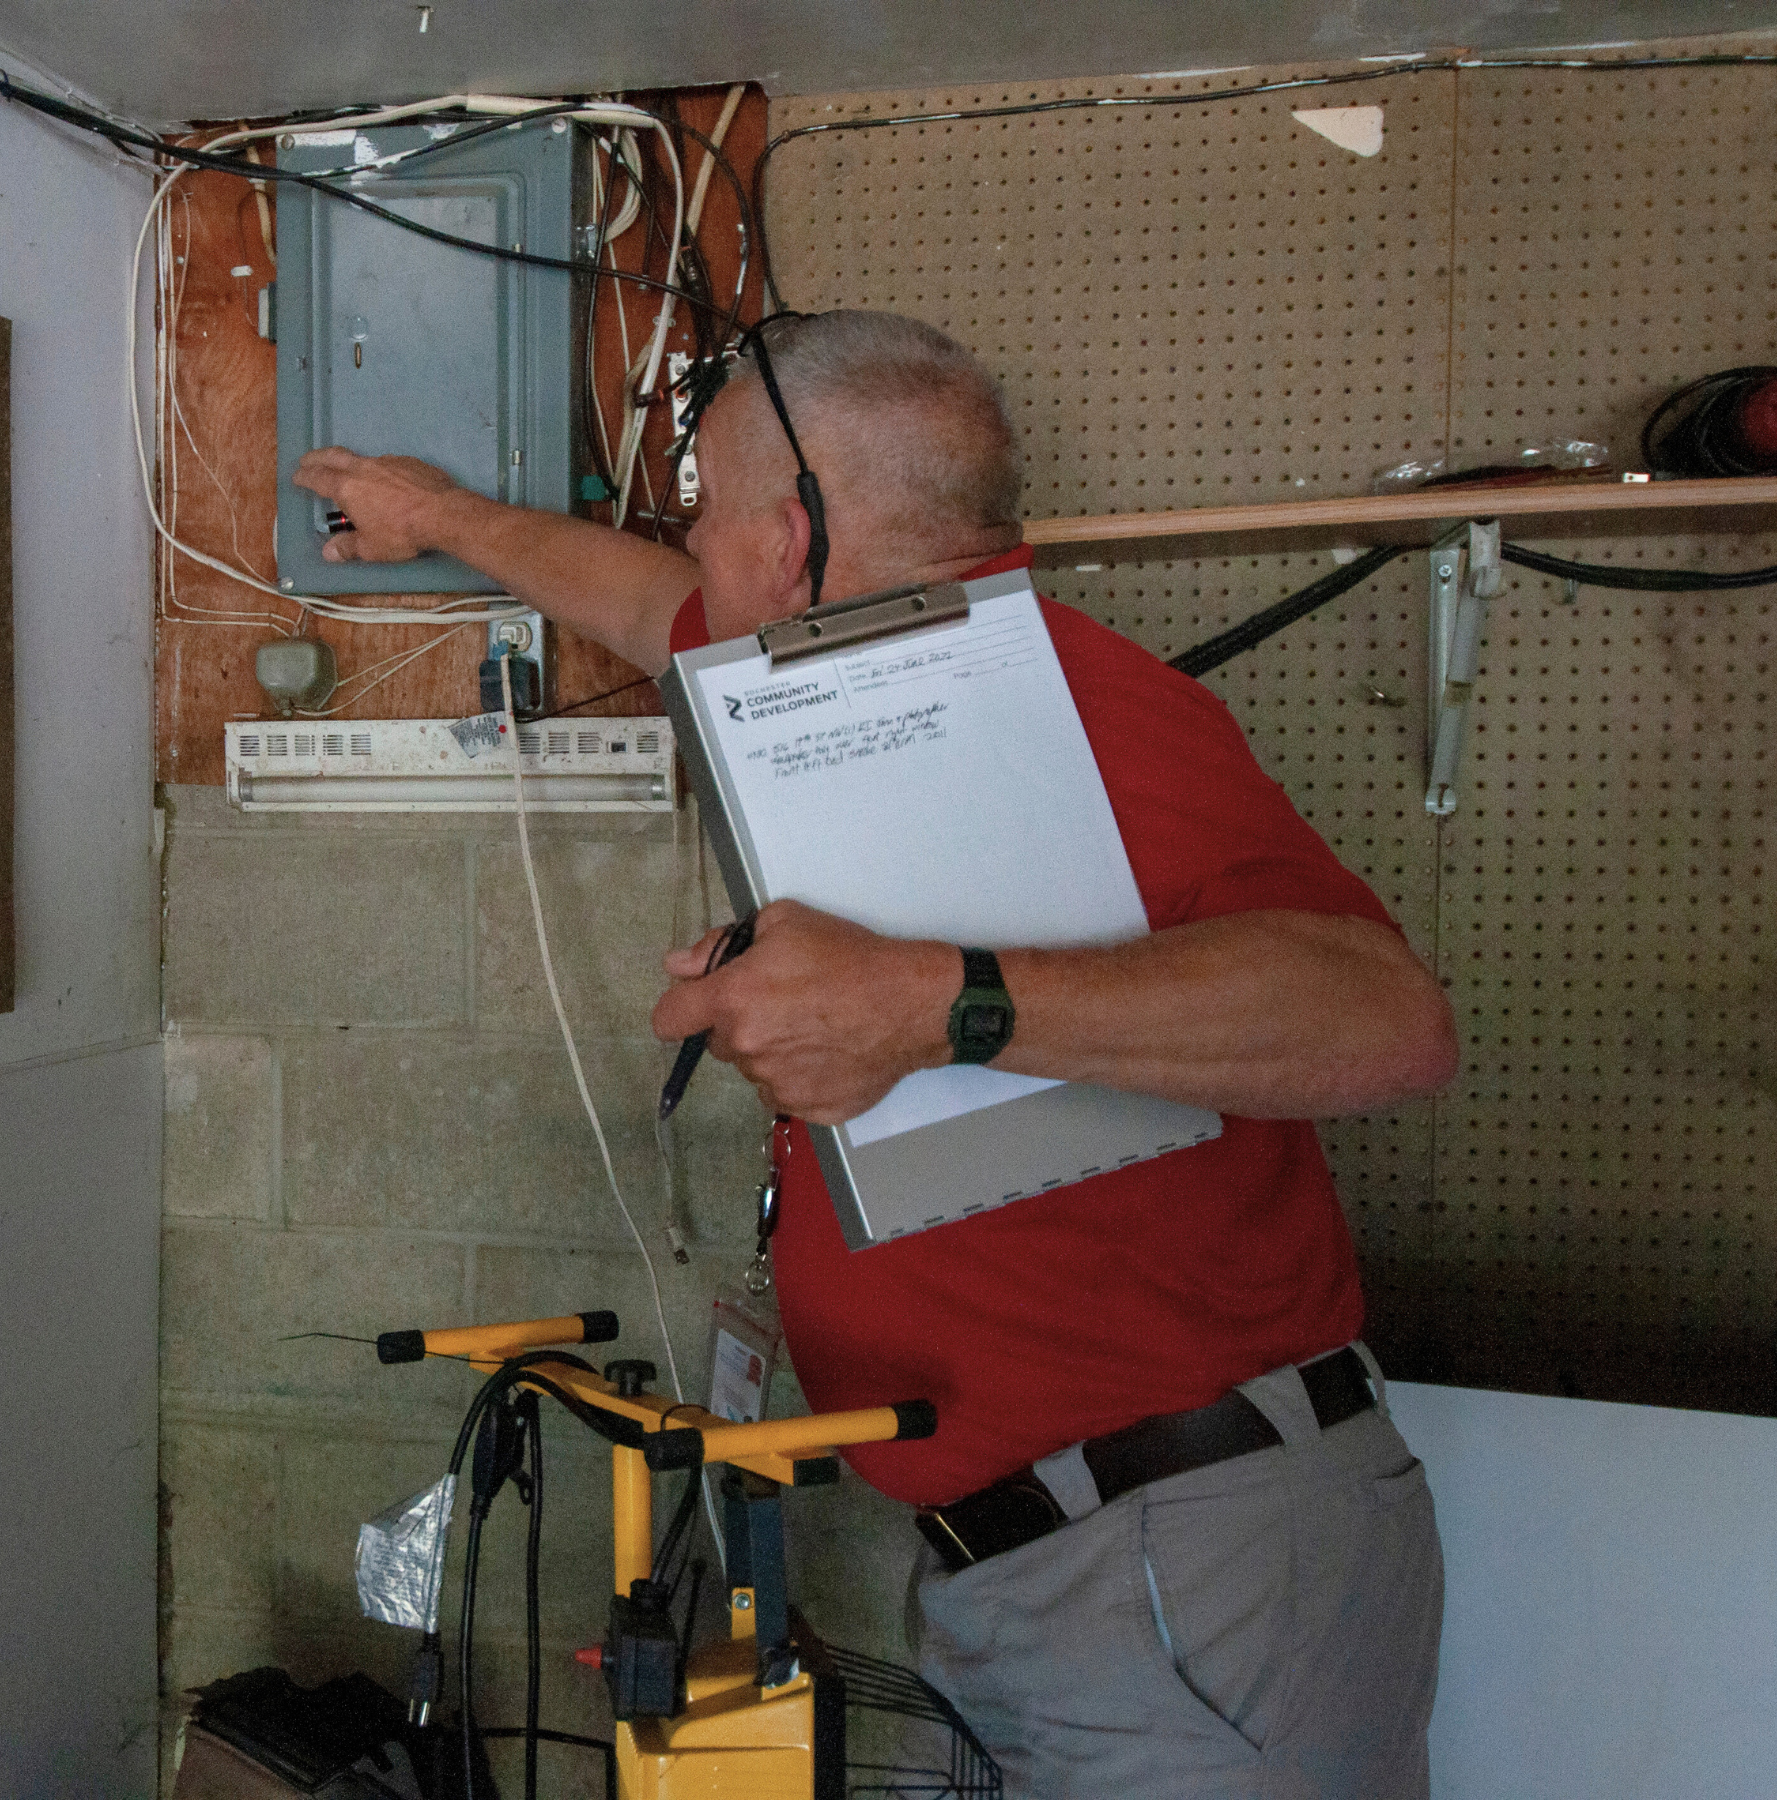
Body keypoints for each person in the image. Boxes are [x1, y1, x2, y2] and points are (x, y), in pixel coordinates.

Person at [293, 310, 1459, 1799]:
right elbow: (653, 606)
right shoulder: (858, 674)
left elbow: (1390, 1022)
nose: (695, 545)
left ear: (789, 538)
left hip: (1186, 1564)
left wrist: (936, 1003)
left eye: (708, 509)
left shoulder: (1068, 708)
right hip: (1066, 1566)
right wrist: (440, 519)